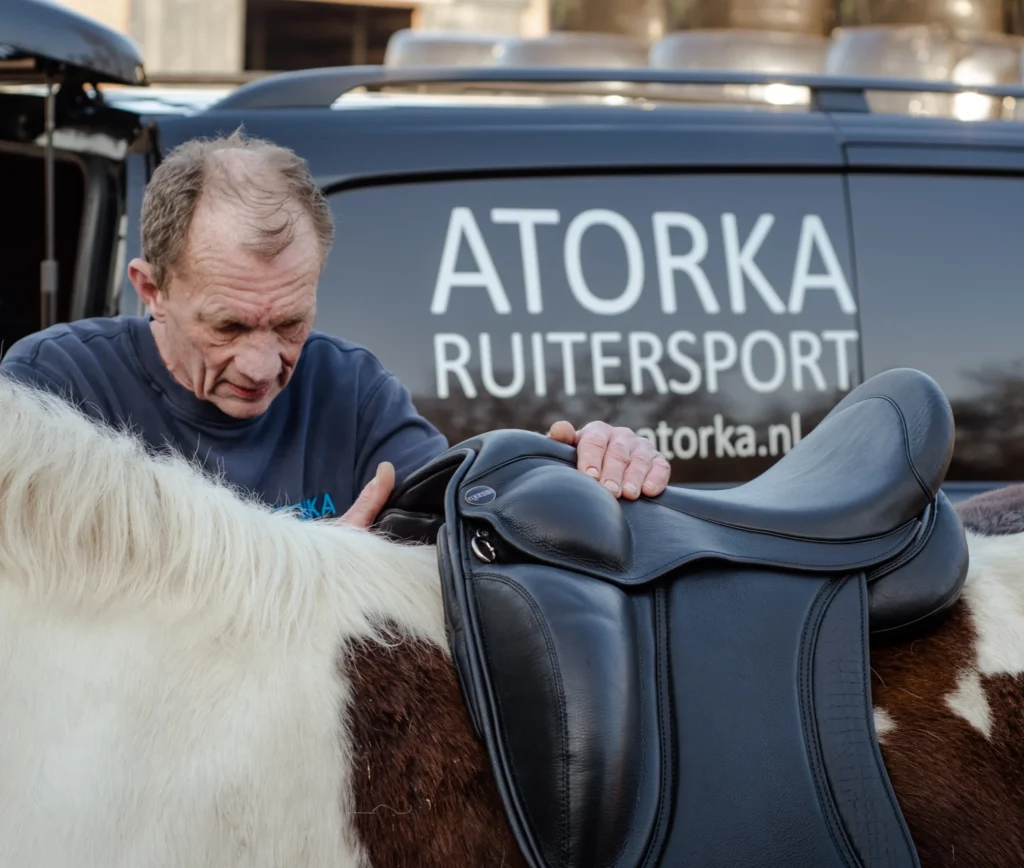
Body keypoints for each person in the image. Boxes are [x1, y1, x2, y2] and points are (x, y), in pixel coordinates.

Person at [0, 130, 671, 528]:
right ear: (151, 289)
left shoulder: (351, 391)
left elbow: (463, 530)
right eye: (229, 326)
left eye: (290, 323)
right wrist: (318, 577)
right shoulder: (51, 390)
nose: (263, 367)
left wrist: (561, 471)